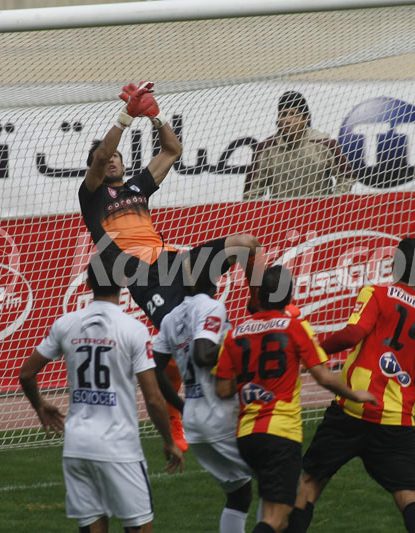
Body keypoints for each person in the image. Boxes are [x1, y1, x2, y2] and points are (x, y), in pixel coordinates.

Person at [80, 81, 262, 452]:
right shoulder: (92, 197)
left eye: (116, 156)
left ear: (124, 162)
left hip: (176, 261)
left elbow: (173, 149)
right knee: (178, 346)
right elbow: (99, 158)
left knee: (246, 244)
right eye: (106, 156)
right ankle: (179, 419)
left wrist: (155, 114)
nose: (111, 159)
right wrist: (125, 117)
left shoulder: (136, 189)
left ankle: (260, 307)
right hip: (144, 278)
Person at [18, 256, 184, 533]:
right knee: (140, 528)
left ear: (87, 283)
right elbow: (154, 398)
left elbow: (26, 374)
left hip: (77, 447)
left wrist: (40, 405)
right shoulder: (133, 329)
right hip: (119, 447)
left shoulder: (66, 323)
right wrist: (169, 441)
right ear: (122, 283)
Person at [286, 237, 415, 533]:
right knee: (409, 496)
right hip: (397, 419)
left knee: (309, 483)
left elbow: (352, 334)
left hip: (352, 409)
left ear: (394, 264)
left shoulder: (377, 293)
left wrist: (313, 352)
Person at [214, 265, 377, 533]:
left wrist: (251, 384)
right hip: (279, 433)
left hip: (246, 436)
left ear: (259, 296)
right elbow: (324, 377)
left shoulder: (236, 333)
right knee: (277, 518)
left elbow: (222, 390)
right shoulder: (294, 327)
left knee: (274, 511)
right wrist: (354, 394)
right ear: (290, 296)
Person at [153, 265, 254, 533]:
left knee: (239, 494)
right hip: (220, 414)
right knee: (278, 479)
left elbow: (157, 369)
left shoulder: (171, 318)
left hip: (195, 421)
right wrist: (242, 349)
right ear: (216, 285)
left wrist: (180, 405)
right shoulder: (212, 308)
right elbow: (202, 353)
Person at [243, 90, 355, 200]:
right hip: (281, 216)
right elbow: (252, 192)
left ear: (306, 118)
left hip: (318, 216)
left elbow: (347, 176)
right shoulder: (266, 149)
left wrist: (332, 204)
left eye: (294, 114)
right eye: (283, 114)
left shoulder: (324, 144)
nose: (287, 120)